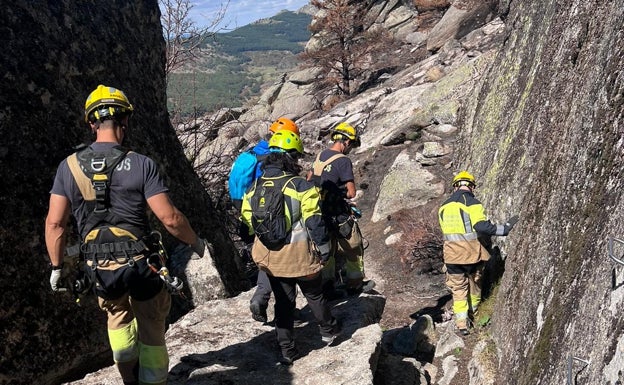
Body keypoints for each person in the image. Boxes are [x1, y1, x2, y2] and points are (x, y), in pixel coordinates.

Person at [45, 84, 209, 385]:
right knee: (151, 327)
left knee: (117, 320)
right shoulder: (141, 164)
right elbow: (170, 218)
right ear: (125, 120)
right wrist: (195, 243)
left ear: (92, 123)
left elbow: (55, 224)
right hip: (141, 264)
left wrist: (56, 268)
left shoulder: (67, 168)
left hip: (100, 268)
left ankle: (129, 379)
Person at [241, 129, 340, 365]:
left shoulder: (255, 187)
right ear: (291, 159)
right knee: (315, 294)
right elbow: (314, 221)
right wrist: (324, 248)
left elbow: (246, 226)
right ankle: (329, 331)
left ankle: (287, 350)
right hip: (301, 255)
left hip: (272, 259)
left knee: (284, 303)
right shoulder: (300, 186)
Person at [230, 117, 301, 323]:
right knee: (281, 259)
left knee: (265, 258)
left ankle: (261, 298)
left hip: (247, 213)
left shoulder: (250, 154)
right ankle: (282, 308)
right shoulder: (275, 158)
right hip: (272, 216)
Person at [437, 171, 518, 336]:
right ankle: (473, 313)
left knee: (458, 289)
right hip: (471, 254)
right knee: (474, 284)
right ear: (471, 186)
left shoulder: (443, 207)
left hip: (451, 255)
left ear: (455, 186)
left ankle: (461, 323)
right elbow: (481, 226)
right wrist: (504, 229)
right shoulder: (472, 203)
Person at [308, 122, 374, 297]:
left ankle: (328, 287)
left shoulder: (320, 155)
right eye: (351, 146)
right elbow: (351, 192)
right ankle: (355, 283)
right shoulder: (343, 161)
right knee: (354, 247)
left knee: (327, 250)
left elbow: (309, 178)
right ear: (346, 142)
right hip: (338, 212)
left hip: (319, 211)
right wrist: (341, 192)